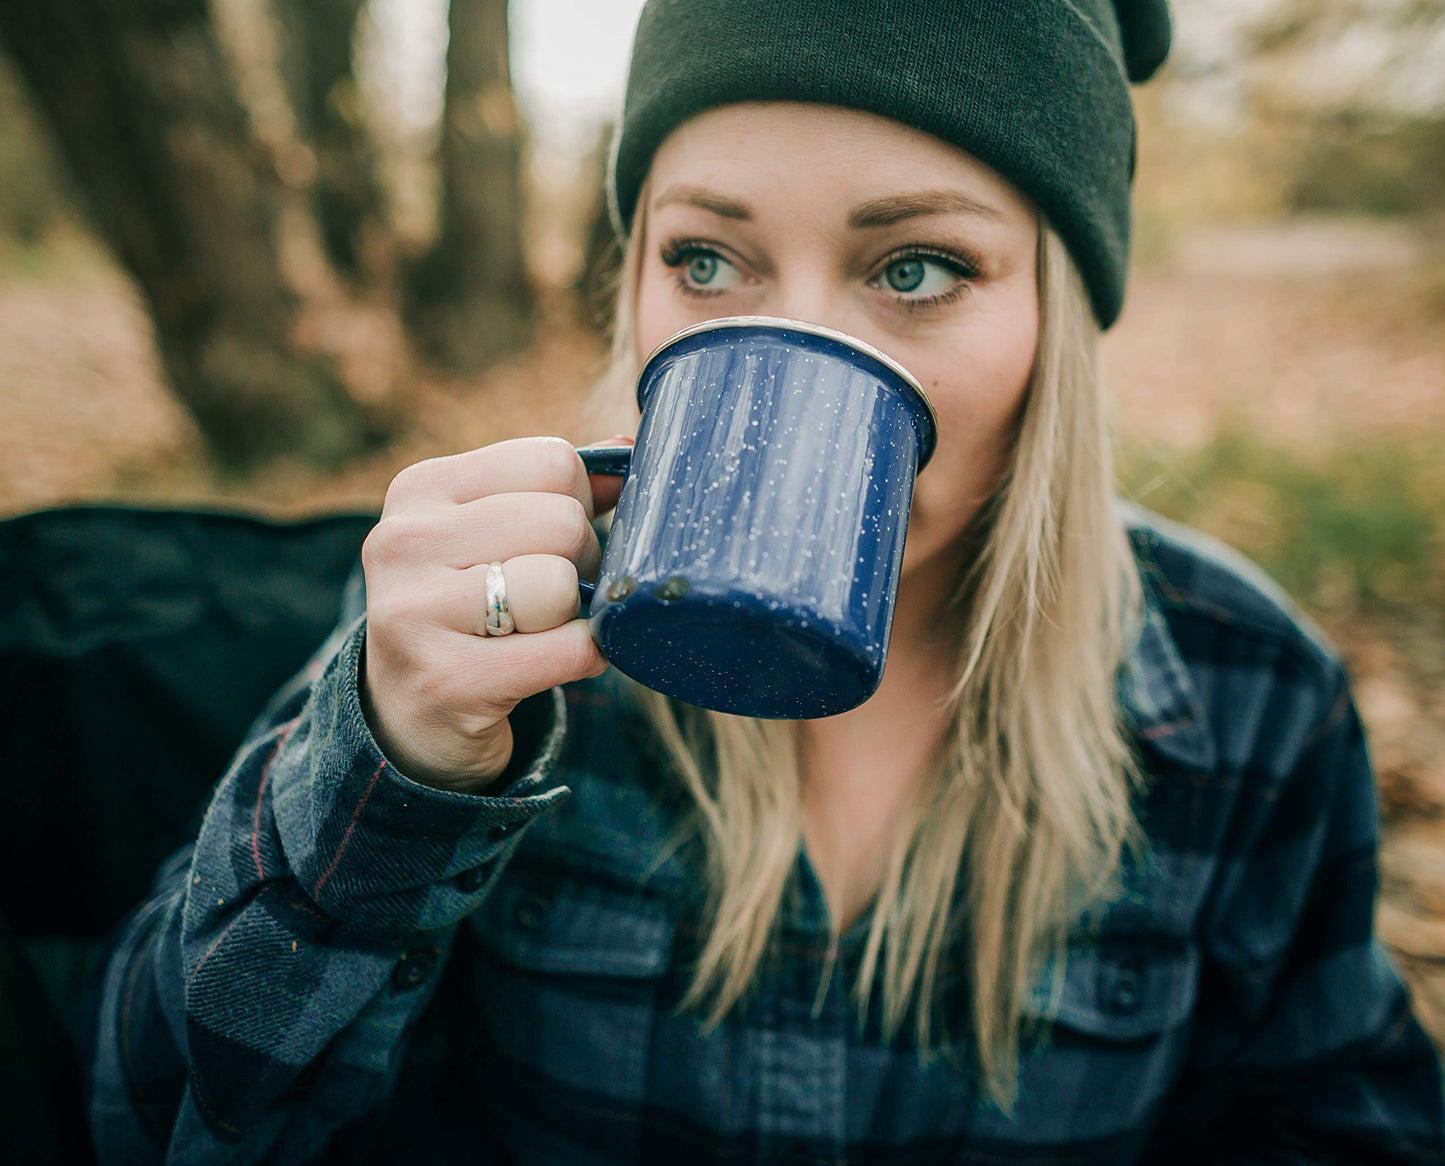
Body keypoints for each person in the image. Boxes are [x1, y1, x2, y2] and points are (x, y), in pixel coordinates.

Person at [88, 1, 1445, 1162]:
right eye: (705, 259)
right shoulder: (480, 653)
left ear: (1055, 313)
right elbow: (154, 1120)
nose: (788, 344)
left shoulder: (1244, 695)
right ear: (634, 285)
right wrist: (389, 770)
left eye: (916, 267)